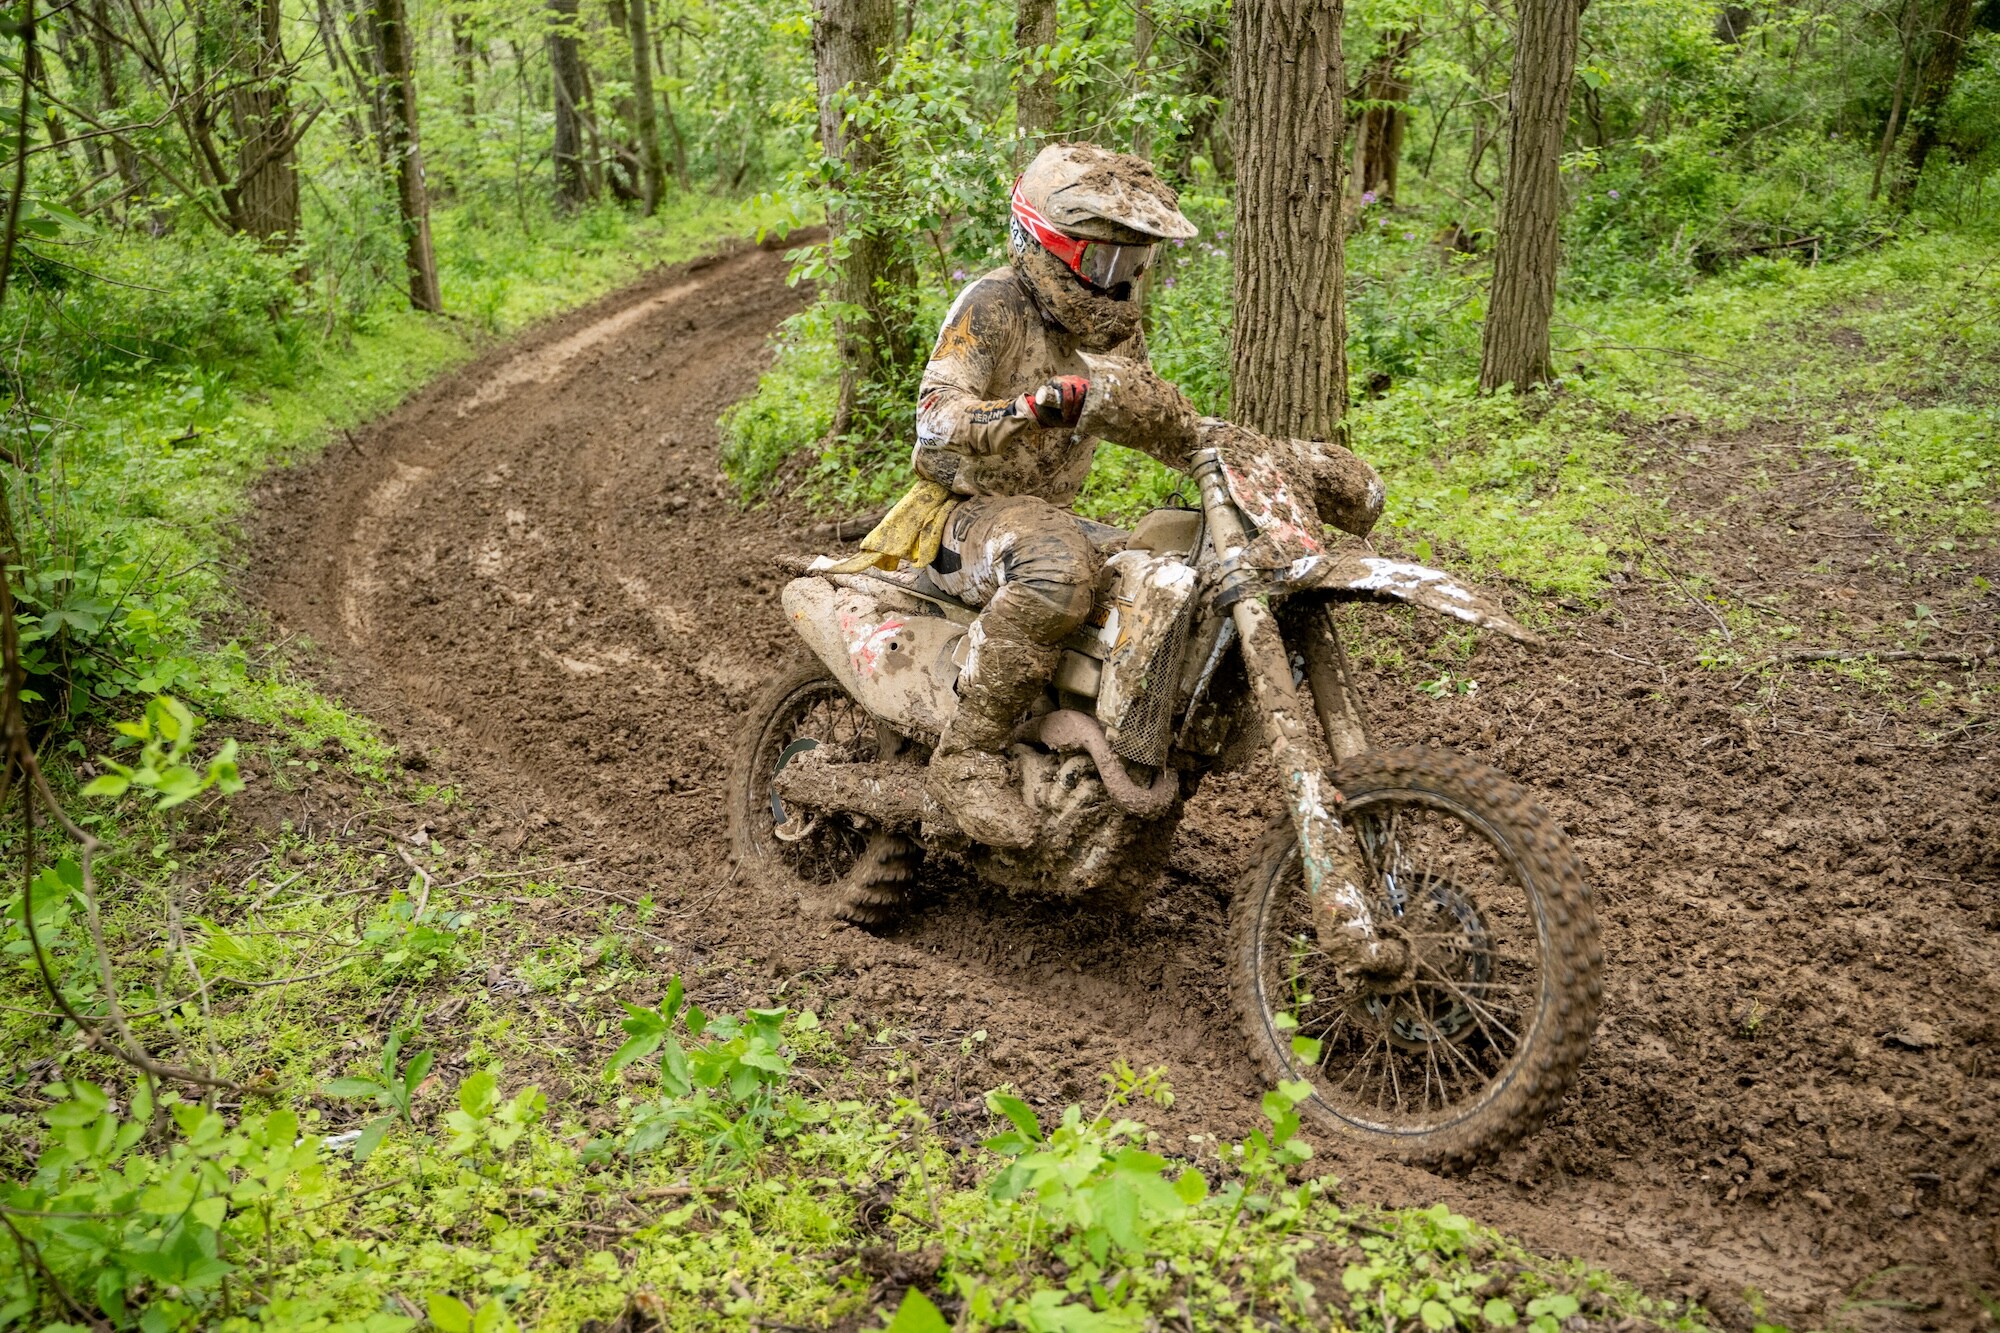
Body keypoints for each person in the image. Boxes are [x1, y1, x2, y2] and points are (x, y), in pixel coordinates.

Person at [899, 142, 1198, 848]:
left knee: (1161, 575)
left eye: (1132, 265)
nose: (1116, 282)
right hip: (958, 514)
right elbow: (934, 412)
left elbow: (1157, 416)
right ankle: (966, 755)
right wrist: (1022, 411)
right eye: (1101, 262)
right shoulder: (995, 302)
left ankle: (1095, 761)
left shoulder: (1119, 336)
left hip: (1038, 517)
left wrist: (1218, 449)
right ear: (1045, 245)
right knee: (1059, 565)